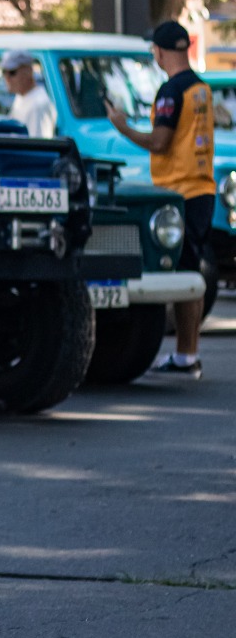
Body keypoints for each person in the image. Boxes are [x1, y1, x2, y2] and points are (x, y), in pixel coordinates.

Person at [106, 20, 216, 377]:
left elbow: (159, 142)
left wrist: (122, 126)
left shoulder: (171, 92)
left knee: (180, 272)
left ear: (160, 51)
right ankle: (188, 353)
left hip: (179, 193)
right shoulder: (202, 88)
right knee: (191, 270)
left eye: (153, 49)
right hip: (202, 190)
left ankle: (185, 355)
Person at [1, 49, 57, 137]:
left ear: (28, 71)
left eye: (12, 72)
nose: (7, 78)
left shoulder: (38, 105)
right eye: (4, 72)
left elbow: (39, 146)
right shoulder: (21, 96)